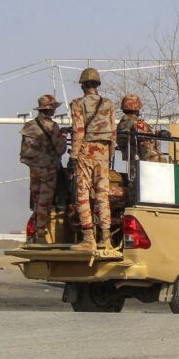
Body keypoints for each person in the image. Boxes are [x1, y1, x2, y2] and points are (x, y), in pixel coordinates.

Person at [68, 68, 117, 251]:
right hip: (103, 152)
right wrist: (109, 153)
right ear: (97, 84)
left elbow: (79, 131)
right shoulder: (108, 103)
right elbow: (113, 132)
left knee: (82, 194)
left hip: (86, 151)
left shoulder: (78, 104)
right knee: (103, 195)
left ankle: (88, 239)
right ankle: (106, 239)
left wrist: (73, 156)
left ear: (83, 85)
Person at [19, 94, 67, 244]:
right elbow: (60, 149)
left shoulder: (29, 125)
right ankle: (40, 235)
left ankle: (34, 234)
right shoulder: (52, 127)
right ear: (49, 109)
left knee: (36, 201)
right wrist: (63, 136)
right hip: (48, 169)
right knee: (44, 203)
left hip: (34, 169)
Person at [116, 94, 165, 163]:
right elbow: (143, 135)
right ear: (137, 109)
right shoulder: (136, 122)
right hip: (146, 159)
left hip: (131, 158)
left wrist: (157, 132)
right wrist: (160, 133)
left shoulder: (121, 124)